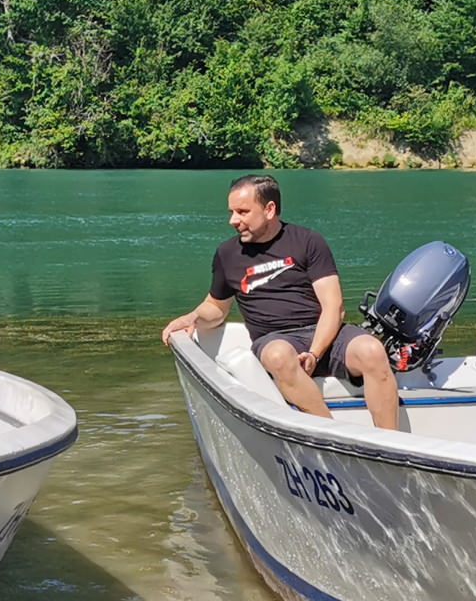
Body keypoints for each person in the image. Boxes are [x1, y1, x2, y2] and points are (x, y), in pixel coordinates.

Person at [162, 174, 402, 429]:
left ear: (269, 209)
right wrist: (192, 318)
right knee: (278, 356)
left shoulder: (308, 241)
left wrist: (314, 353)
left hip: (324, 335)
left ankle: (391, 442)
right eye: (232, 212)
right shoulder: (227, 254)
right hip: (275, 339)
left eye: (242, 212)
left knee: (372, 350)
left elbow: (334, 307)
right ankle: (333, 436)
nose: (233, 220)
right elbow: (216, 307)